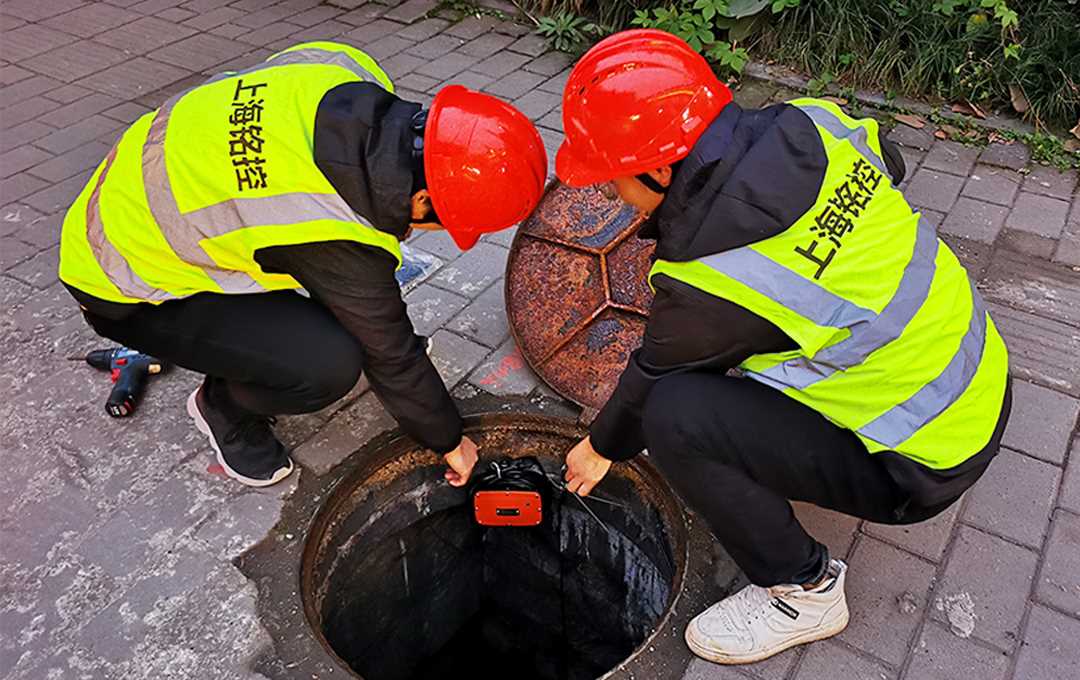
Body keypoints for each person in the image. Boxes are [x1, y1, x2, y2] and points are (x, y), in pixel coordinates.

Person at [557, 29, 1010, 665]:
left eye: (609, 181)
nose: (606, 194)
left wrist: (601, 447)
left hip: (923, 462)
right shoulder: (812, 122)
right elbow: (890, 162)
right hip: (979, 377)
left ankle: (805, 590)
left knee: (675, 416)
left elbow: (650, 378)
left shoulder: (715, 281)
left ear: (660, 169)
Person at [58, 41, 547, 488]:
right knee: (330, 364)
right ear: (422, 200)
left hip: (135, 185)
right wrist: (448, 439)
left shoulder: (347, 69)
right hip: (121, 281)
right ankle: (223, 408)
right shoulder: (326, 226)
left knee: (355, 305)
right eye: (446, 224)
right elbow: (391, 355)